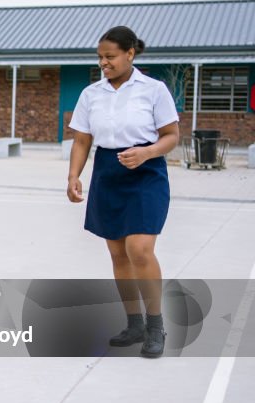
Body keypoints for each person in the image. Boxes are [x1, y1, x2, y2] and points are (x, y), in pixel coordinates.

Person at [67, 26, 179, 358]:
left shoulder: (154, 89)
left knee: (139, 249)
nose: (104, 63)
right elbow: (83, 139)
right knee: (118, 254)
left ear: (130, 53)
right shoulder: (91, 94)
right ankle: (134, 324)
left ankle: (156, 325)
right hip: (108, 171)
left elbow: (171, 135)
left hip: (146, 171)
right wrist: (74, 175)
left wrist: (146, 152)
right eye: (100, 57)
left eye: (111, 56)